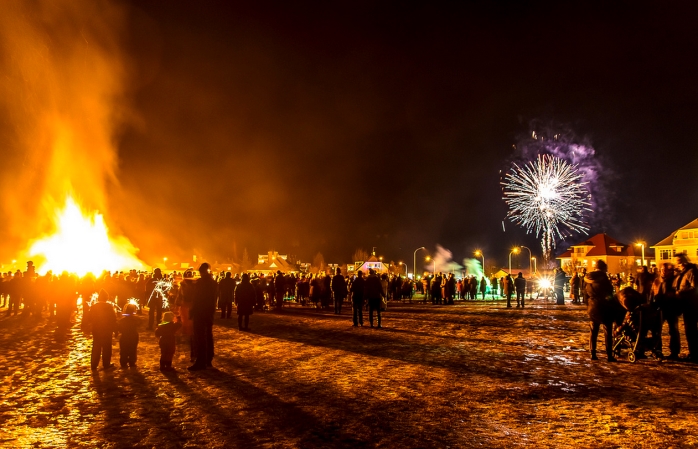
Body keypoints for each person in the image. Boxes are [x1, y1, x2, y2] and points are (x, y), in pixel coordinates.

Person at [585, 260, 623, 362]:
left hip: (592, 307)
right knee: (607, 331)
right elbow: (608, 294)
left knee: (593, 331)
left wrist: (588, 305)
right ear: (604, 268)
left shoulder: (588, 278)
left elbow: (586, 294)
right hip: (604, 307)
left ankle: (593, 353)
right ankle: (609, 355)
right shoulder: (604, 278)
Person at [188, 263, 218, 371]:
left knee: (200, 337)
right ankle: (208, 359)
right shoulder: (213, 283)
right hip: (209, 313)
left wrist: (192, 311)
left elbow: (197, 299)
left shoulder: (201, 283)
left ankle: (200, 361)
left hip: (200, 312)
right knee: (208, 336)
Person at [650, 263, 679, 360]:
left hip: (671, 308)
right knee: (656, 330)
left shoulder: (674, 280)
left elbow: (677, 293)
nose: (664, 271)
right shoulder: (657, 281)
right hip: (659, 308)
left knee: (673, 331)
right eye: (662, 269)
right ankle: (657, 350)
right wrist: (651, 304)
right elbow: (652, 293)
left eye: (666, 270)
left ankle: (674, 352)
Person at [674, 253, 698, 362]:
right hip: (686, 305)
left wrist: (680, 291)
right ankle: (693, 353)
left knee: (691, 330)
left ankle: (694, 354)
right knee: (689, 331)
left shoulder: (691, 272)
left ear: (684, 261)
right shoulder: (682, 273)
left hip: (692, 305)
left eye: (678, 261)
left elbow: (695, 287)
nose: (677, 263)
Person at [88, 289, 117, 371]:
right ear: (106, 298)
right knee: (107, 347)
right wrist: (115, 329)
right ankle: (106, 364)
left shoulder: (94, 306)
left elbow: (89, 318)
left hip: (96, 330)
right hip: (107, 330)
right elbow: (113, 319)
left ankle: (94, 364)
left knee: (96, 347)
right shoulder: (109, 307)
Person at [117, 303, 140, 368]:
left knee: (124, 350)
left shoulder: (122, 320)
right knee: (133, 349)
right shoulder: (136, 319)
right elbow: (139, 324)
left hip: (124, 336)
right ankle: (132, 362)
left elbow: (119, 329)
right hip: (133, 336)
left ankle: (123, 363)